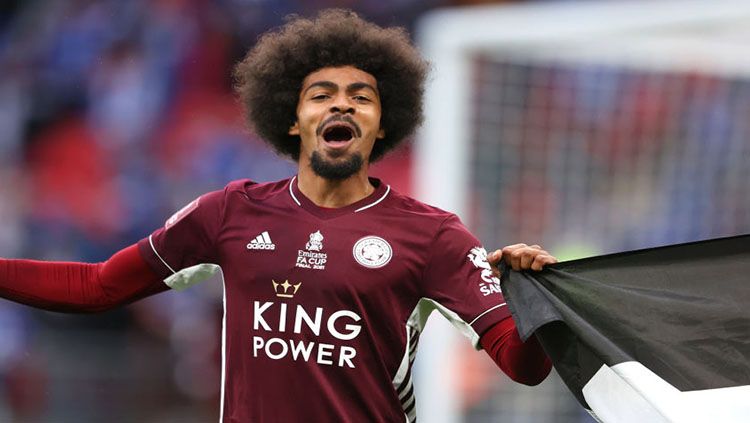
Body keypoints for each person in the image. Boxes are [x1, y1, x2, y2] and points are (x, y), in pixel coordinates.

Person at [0, 9, 556, 422]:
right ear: (292, 119)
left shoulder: (434, 236)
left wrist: (536, 301)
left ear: (384, 125)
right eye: (321, 95)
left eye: (361, 97)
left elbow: (523, 367)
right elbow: (97, 286)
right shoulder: (229, 213)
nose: (341, 105)